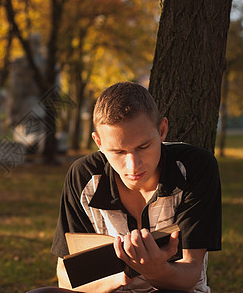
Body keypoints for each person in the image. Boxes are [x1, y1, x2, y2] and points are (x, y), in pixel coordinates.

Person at [49, 82, 221, 293]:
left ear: (162, 130)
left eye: (143, 146)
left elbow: (190, 274)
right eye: (119, 152)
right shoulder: (83, 177)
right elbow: (66, 278)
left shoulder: (195, 168)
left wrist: (156, 271)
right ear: (98, 142)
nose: (133, 165)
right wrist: (126, 273)